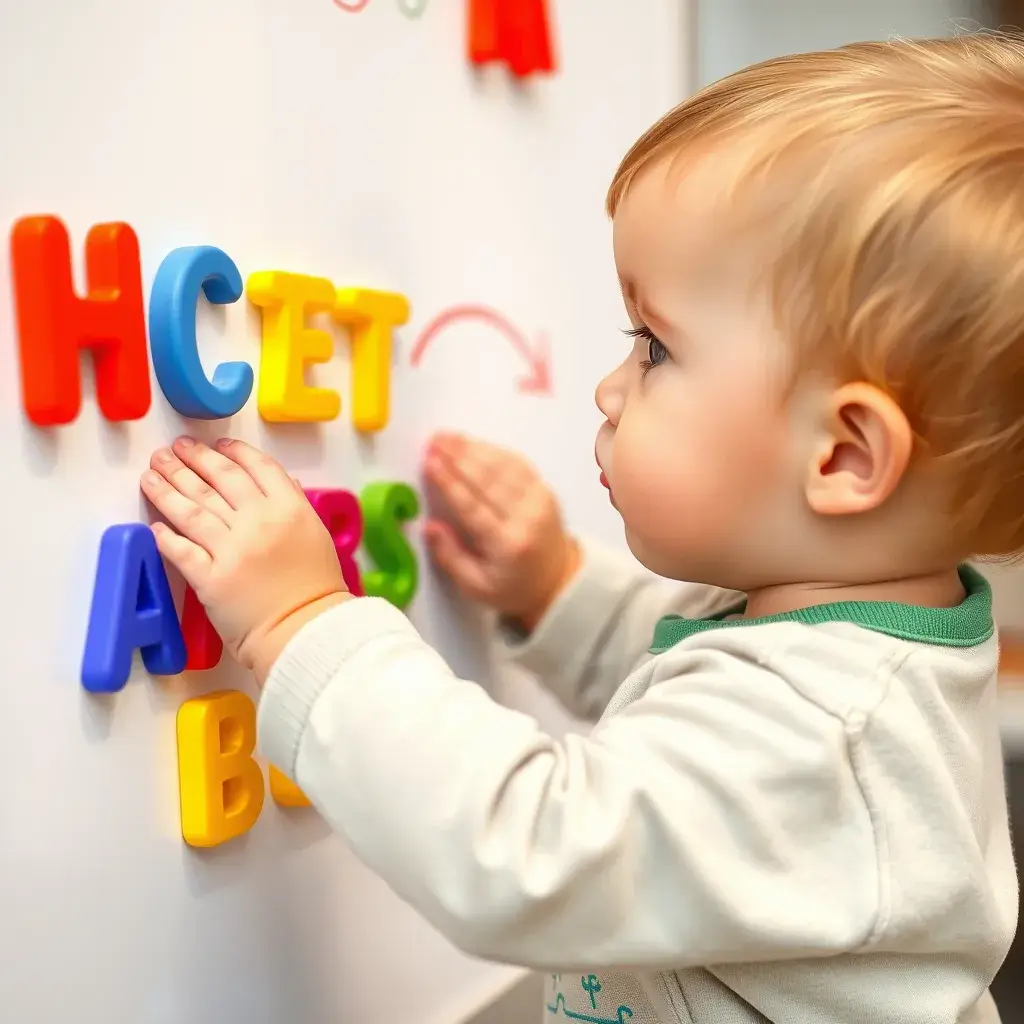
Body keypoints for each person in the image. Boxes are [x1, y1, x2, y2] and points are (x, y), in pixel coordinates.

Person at [140, 33, 1020, 1024]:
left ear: (842, 456)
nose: (608, 388)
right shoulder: (844, 642)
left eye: (654, 348)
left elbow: (525, 848)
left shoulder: (826, 737)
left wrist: (301, 621)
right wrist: (550, 581)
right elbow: (685, 672)